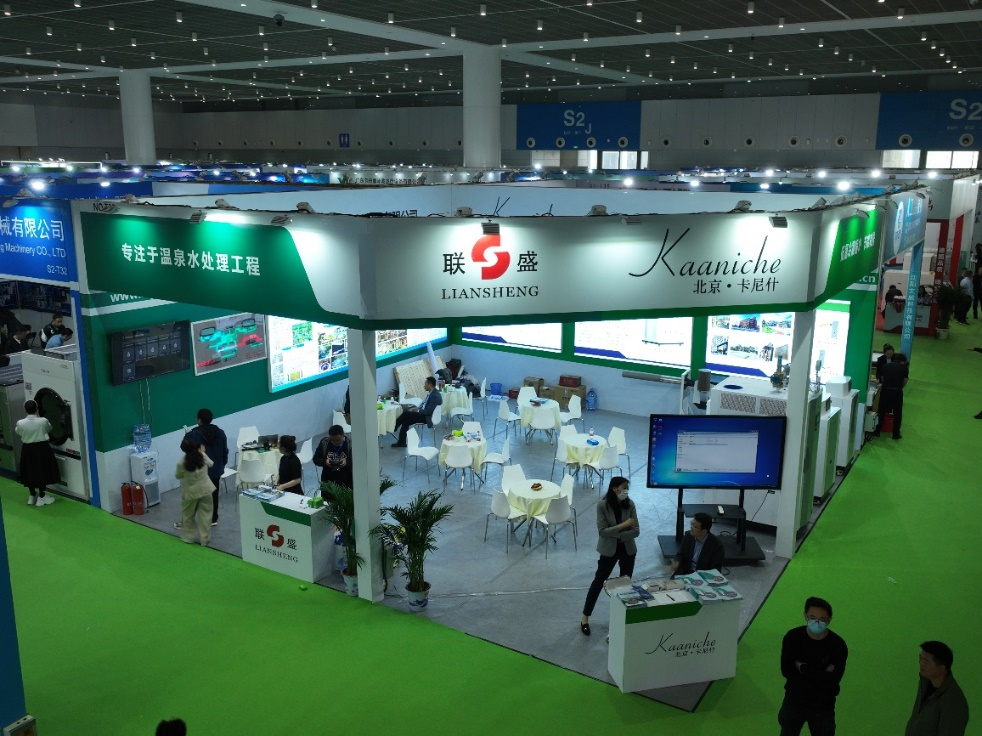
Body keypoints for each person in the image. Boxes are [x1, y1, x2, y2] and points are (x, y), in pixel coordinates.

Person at [779, 596, 849, 736]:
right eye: (812, 617)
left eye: (822, 619)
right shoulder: (792, 638)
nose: (817, 622)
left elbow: (832, 681)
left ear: (829, 620)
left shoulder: (838, 646)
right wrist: (821, 673)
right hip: (794, 700)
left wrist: (802, 668)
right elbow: (787, 671)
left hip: (823, 705)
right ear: (805, 616)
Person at [579, 476, 639, 636]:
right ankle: (585, 618)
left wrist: (616, 533)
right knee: (598, 582)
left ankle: (622, 617)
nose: (626, 491)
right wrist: (624, 525)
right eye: (623, 487)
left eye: (627, 488)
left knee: (625, 584)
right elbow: (602, 532)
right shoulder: (602, 506)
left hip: (628, 549)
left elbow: (636, 531)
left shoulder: (630, 504)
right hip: (609, 550)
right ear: (614, 488)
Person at [905, 641, 969, 736]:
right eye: (920, 658)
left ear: (941, 669)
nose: (921, 664)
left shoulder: (953, 702)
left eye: (925, 662)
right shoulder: (925, 684)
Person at [180, 408, 228, 528]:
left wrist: (186, 436)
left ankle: (189, 520)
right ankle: (213, 519)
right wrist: (222, 464)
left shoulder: (193, 434)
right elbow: (225, 451)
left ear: (199, 419)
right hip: (216, 469)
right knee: (214, 494)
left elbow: (184, 447)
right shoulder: (220, 432)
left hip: (200, 471)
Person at [14, 399, 61, 506]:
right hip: (41, 448)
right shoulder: (43, 421)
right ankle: (42, 496)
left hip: (27, 449)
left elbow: (18, 432)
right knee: (41, 470)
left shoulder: (20, 423)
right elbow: (49, 429)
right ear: (37, 409)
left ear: (25, 410)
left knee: (29, 471)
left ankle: (32, 495)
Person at [175, 436, 214, 545]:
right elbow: (211, 464)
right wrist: (203, 452)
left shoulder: (181, 462)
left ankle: (189, 536)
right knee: (206, 515)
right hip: (206, 489)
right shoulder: (202, 456)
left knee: (187, 515)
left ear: (183, 449)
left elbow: (178, 476)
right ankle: (204, 539)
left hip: (190, 493)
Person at [391, 376, 443, 447]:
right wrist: (418, 409)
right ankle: (402, 442)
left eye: (425, 384)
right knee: (406, 420)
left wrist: (418, 410)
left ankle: (394, 427)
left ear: (430, 385)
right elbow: (425, 405)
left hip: (427, 418)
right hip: (424, 415)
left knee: (406, 413)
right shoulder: (432, 393)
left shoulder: (434, 396)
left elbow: (429, 411)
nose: (424, 386)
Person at [671, 512, 725, 578]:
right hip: (685, 570)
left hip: (703, 576)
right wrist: (677, 560)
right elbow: (681, 554)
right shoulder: (688, 535)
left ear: (704, 531)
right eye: (692, 523)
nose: (691, 527)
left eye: (695, 526)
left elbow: (715, 571)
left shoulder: (717, 545)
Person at [876, 352, 909, 439]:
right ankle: (896, 434)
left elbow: (882, 378)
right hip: (897, 392)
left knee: (881, 411)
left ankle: (877, 431)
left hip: (885, 390)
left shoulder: (885, 366)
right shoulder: (904, 368)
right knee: (897, 413)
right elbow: (905, 380)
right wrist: (899, 386)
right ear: (902, 361)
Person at [313, 424, 352, 490]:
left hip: (345, 481)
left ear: (343, 435)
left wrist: (346, 462)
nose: (335, 442)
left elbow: (357, 462)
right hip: (328, 480)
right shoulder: (324, 443)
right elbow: (316, 459)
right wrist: (325, 461)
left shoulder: (350, 444)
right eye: (332, 440)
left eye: (338, 440)